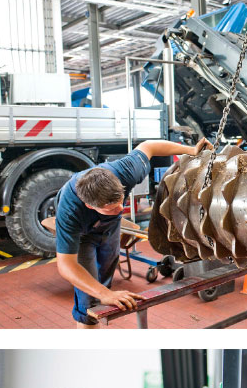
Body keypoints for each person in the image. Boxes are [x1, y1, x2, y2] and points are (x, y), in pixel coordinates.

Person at [54, 138, 212, 328]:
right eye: (111, 207)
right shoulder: (70, 212)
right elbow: (66, 265)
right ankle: (87, 320)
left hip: (109, 226)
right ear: (90, 206)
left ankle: (102, 301)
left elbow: (149, 146)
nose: (120, 208)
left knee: (107, 268)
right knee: (88, 297)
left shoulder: (125, 170)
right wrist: (104, 294)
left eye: (122, 201)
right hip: (83, 235)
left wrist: (191, 150)